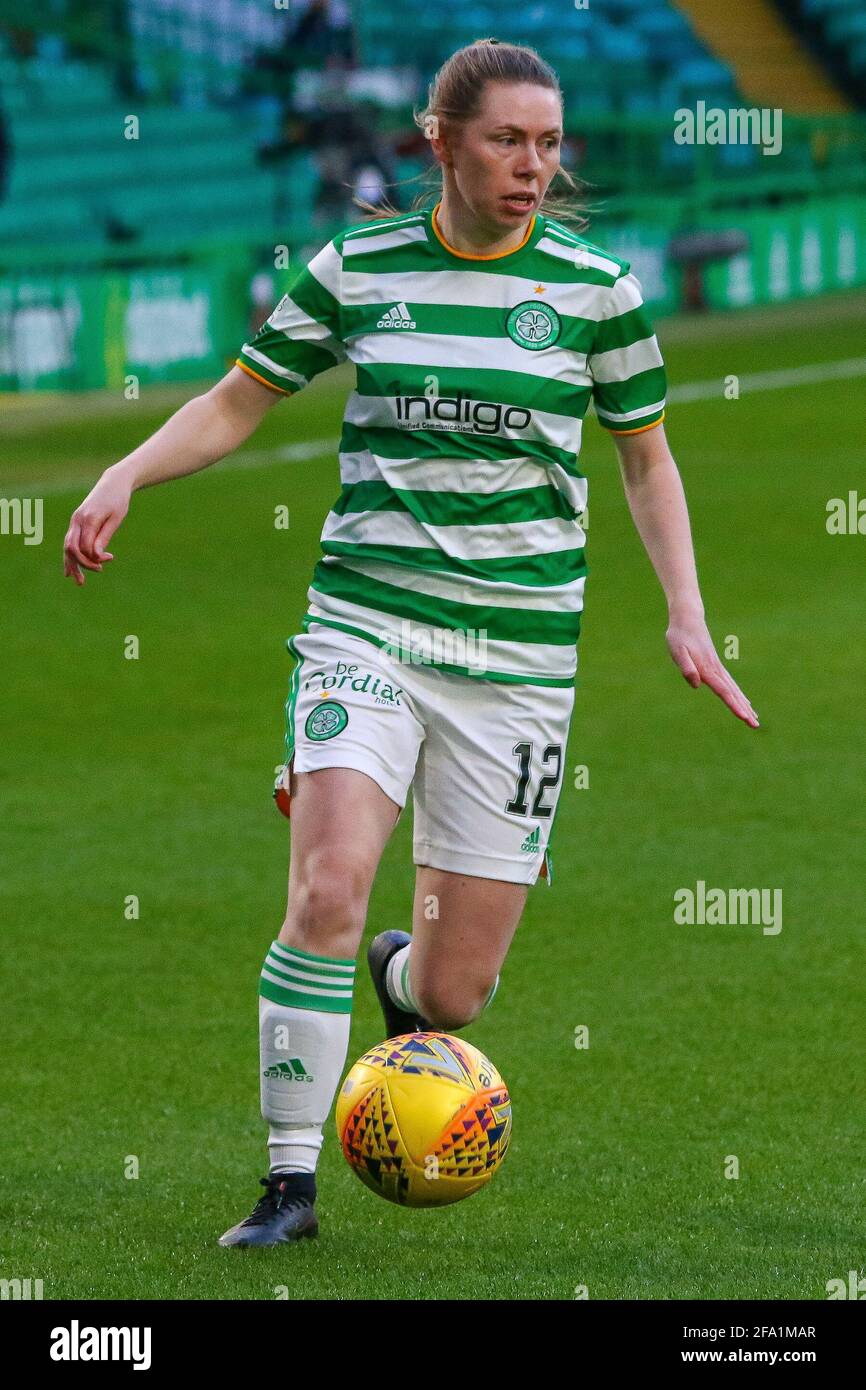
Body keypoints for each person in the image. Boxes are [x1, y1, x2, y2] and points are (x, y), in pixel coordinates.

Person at [63, 39, 758, 1248]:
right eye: (506, 140)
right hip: (364, 630)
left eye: (548, 143)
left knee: (453, 995)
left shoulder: (598, 291)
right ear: (439, 142)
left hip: (519, 662)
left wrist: (686, 612)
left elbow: (645, 458)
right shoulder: (358, 267)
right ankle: (288, 1188)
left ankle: (401, 986)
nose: (533, 165)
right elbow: (239, 396)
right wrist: (127, 468)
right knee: (326, 886)